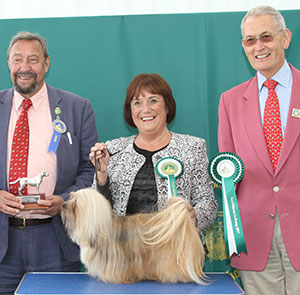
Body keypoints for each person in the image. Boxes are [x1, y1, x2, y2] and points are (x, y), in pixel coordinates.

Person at [0, 31, 98, 294]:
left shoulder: (78, 108)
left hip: (55, 240)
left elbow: (89, 170)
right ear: (9, 63)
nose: (24, 68)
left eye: (33, 60)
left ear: (46, 63)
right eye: (17, 60)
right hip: (3, 243)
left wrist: (66, 199)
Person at [218, 6, 300, 294]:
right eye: (250, 40)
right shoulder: (229, 101)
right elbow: (228, 173)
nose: (259, 46)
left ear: (285, 38)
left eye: (266, 36)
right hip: (252, 237)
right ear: (243, 46)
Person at [90, 73, 218, 231]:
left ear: (167, 107)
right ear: (130, 111)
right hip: (124, 250)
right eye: (137, 103)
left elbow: (209, 206)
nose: (145, 109)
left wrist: (193, 216)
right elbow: (95, 211)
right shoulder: (112, 150)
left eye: (153, 100)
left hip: (176, 249)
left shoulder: (193, 147)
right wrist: (101, 178)